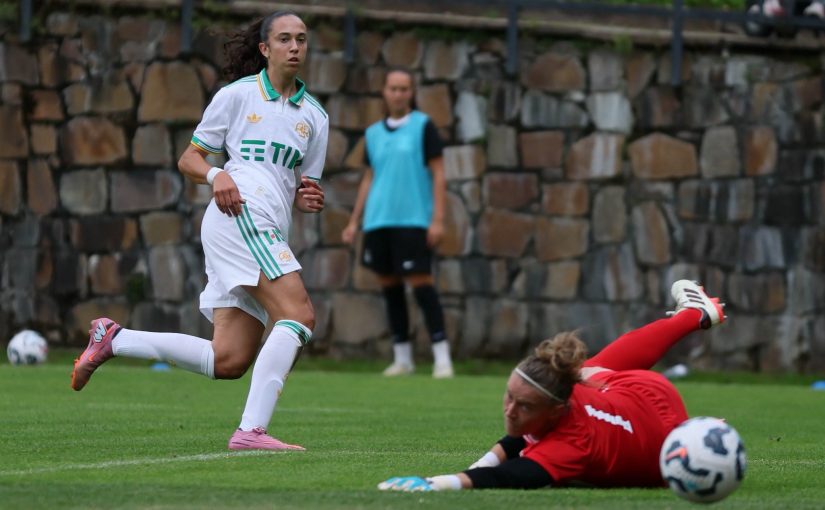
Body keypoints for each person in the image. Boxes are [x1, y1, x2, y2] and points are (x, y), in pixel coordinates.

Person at [70, 11, 329, 451]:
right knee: (299, 315)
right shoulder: (236, 96)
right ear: (265, 49)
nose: (295, 47)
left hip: (266, 226)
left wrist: (307, 199)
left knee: (228, 359)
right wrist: (216, 176)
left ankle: (116, 339)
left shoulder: (316, 118)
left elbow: (302, 188)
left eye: (301, 40)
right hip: (240, 217)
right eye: (284, 39)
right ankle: (251, 433)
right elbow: (190, 158)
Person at [378, 280, 727, 491]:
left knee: (590, 370)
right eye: (509, 396)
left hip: (655, 423)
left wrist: (438, 483)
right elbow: (522, 434)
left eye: (524, 405)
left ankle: (692, 319)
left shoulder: (572, 445)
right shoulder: (559, 405)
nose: (510, 410)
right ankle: (694, 315)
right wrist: (479, 464)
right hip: (654, 418)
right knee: (588, 371)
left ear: (560, 407)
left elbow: (511, 477)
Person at [341, 68, 453, 379]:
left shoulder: (423, 126)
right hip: (378, 221)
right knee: (390, 288)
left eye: (404, 89)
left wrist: (438, 219)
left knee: (421, 286)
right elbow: (369, 178)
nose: (399, 94)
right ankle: (402, 357)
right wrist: (354, 222)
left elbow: (439, 174)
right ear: (384, 92)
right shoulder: (373, 133)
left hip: (413, 220)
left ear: (411, 93)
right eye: (393, 88)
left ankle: (442, 357)